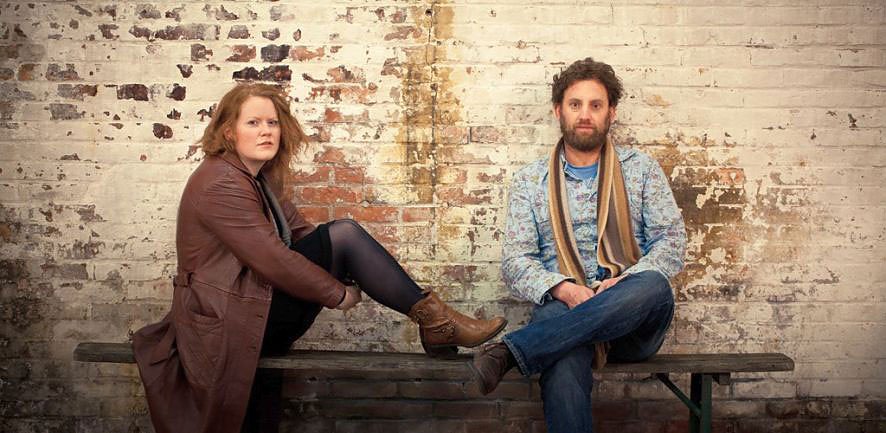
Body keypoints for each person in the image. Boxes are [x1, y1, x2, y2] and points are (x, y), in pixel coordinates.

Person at [132, 82, 506, 433]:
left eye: (272, 123)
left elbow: (303, 236)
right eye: (253, 123)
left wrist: (346, 268)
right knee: (343, 235)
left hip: (246, 304)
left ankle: (436, 322)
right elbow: (273, 258)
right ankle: (437, 322)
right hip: (224, 318)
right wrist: (337, 293)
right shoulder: (221, 182)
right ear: (229, 132)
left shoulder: (257, 179)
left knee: (341, 239)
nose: (267, 132)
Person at [470, 58, 687, 433]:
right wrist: (566, 290)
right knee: (563, 353)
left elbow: (671, 242)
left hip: (632, 322)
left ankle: (514, 350)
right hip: (563, 313)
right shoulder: (530, 181)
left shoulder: (642, 170)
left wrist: (622, 283)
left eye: (595, 105)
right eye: (575, 104)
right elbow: (516, 262)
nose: (585, 114)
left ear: (611, 113)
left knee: (653, 285)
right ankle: (542, 341)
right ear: (559, 110)